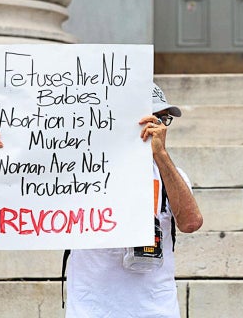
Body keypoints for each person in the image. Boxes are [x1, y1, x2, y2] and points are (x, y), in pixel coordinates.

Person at [62, 82, 204, 317]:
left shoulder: (169, 173)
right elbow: (27, 197)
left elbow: (191, 223)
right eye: (152, 118)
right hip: (92, 308)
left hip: (154, 309)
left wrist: (160, 154)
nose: (157, 126)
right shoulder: (80, 171)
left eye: (163, 119)